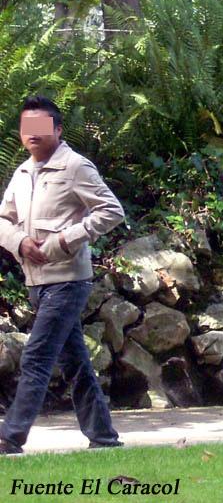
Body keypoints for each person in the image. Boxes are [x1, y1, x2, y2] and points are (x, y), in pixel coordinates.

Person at [0, 96, 126, 454]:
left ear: (57, 129)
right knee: (76, 364)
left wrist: (64, 241)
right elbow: (2, 219)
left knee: (36, 356)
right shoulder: (23, 172)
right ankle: (104, 438)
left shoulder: (75, 167)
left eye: (40, 127)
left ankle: (10, 437)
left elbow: (111, 210)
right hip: (36, 282)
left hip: (68, 280)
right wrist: (19, 241)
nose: (32, 134)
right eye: (27, 127)